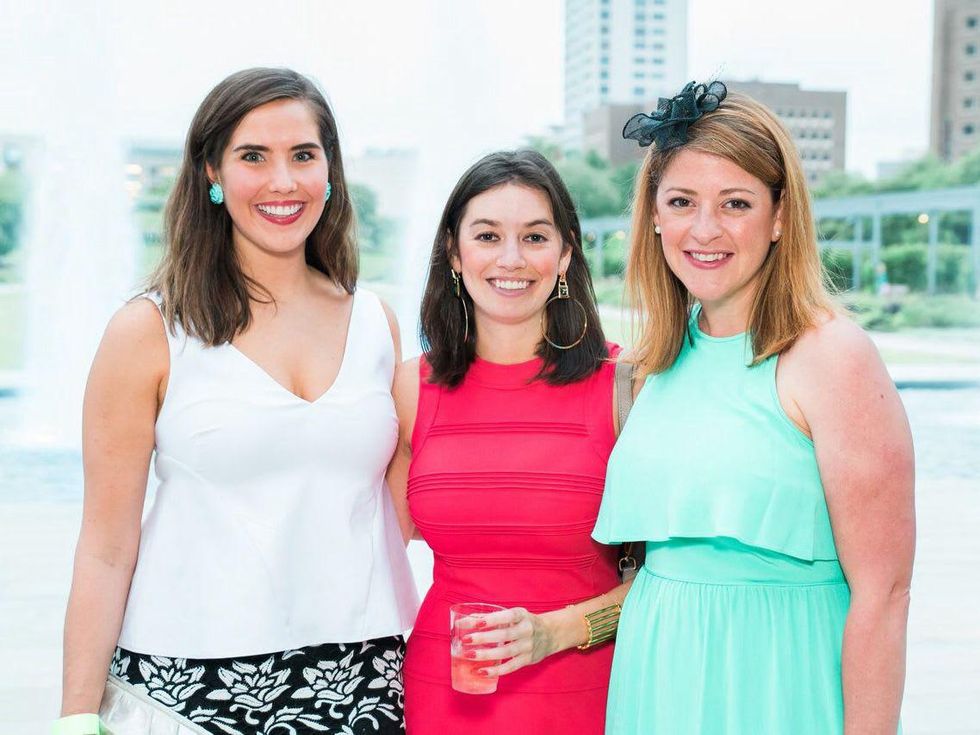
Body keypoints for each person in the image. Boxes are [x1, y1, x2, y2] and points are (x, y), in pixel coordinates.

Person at [54, 68, 417, 735]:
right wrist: (77, 711)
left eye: (303, 156)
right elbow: (106, 545)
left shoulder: (375, 324)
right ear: (211, 176)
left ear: (329, 173)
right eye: (254, 156)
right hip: (188, 683)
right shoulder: (149, 329)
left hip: (369, 676)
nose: (283, 182)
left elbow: (414, 508)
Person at [593, 81, 915, 734]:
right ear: (654, 214)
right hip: (657, 687)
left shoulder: (832, 356)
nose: (704, 229)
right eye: (682, 201)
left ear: (778, 216)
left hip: (780, 688)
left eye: (735, 203)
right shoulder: (653, 363)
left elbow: (884, 597)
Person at [386, 150, 631, 734]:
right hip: (443, 698)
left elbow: (669, 579)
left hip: (586, 698)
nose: (511, 259)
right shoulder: (408, 388)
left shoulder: (626, 388)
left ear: (566, 252)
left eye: (535, 236)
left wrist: (553, 632)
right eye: (488, 235)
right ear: (454, 250)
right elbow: (369, 551)